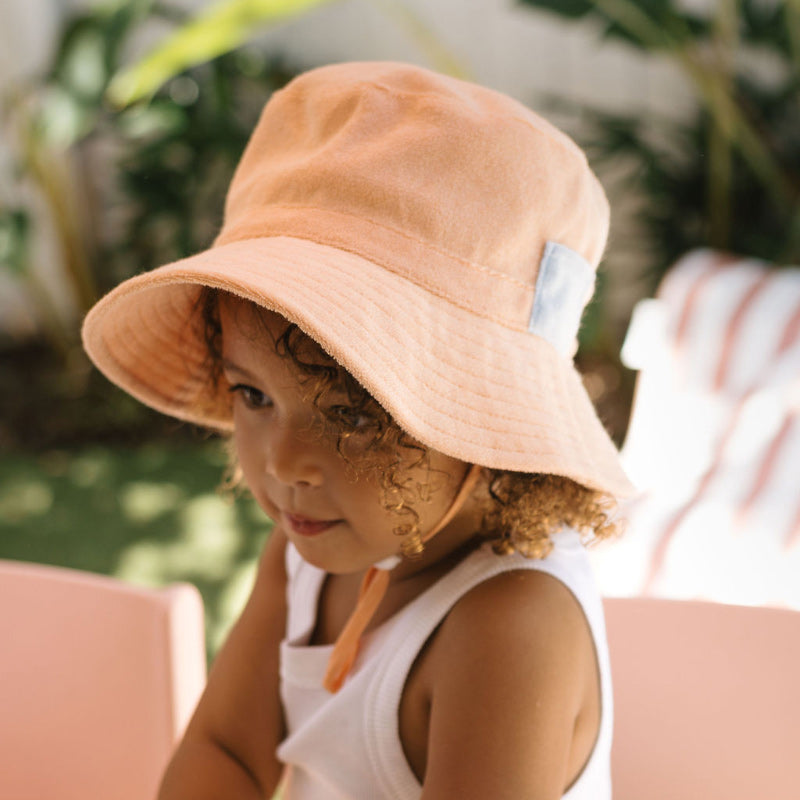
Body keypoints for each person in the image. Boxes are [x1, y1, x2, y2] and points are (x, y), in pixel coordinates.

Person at [82, 61, 634, 800]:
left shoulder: (510, 625)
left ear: (494, 425)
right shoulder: (309, 550)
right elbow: (228, 753)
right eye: (253, 394)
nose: (285, 463)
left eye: (351, 415)